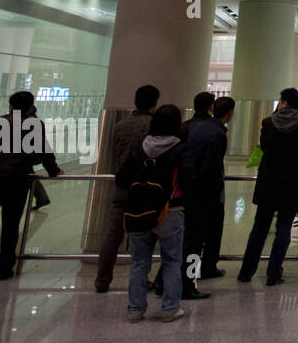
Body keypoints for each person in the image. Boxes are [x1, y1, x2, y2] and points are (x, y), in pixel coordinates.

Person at [116, 104, 192, 322]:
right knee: (171, 260)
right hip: (170, 211)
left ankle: (135, 309)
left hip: (138, 211)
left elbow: (122, 179)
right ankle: (170, 308)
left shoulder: (140, 148)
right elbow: (188, 180)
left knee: (139, 262)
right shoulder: (180, 149)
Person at [238, 88, 298, 286]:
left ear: (284, 103)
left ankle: (246, 271)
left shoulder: (268, 123)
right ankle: (274, 273)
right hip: (292, 181)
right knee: (283, 228)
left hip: (269, 181)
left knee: (259, 228)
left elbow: (264, 146)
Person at [95, 84, 160, 292]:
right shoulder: (153, 126)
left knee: (112, 235)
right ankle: (141, 281)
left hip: (122, 186)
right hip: (144, 189)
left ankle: (102, 279)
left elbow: (114, 155)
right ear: (154, 103)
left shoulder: (120, 125)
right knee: (142, 237)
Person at [0, 91, 62, 279]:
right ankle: (5, 267)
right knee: (10, 224)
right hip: (17, 179)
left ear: (10, 105)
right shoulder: (33, 123)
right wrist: (53, 170)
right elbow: (43, 150)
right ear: (30, 106)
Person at [180, 95, 234, 297]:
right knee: (194, 242)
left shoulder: (199, 128)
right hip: (204, 196)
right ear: (229, 113)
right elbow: (211, 169)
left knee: (191, 240)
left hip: (193, 192)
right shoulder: (217, 134)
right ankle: (188, 283)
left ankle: (171, 281)